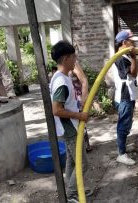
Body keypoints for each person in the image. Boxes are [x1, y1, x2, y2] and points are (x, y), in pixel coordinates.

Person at [50, 40, 92, 203]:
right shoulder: (61, 82)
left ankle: (73, 189)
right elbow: (57, 110)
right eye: (74, 56)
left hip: (70, 128)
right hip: (70, 129)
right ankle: (73, 194)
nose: (76, 60)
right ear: (66, 58)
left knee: (71, 161)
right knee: (82, 164)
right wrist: (79, 116)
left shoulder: (62, 77)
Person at [111, 30, 138, 165]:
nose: (133, 43)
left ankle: (122, 148)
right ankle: (121, 154)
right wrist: (135, 57)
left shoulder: (125, 56)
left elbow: (131, 69)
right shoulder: (120, 58)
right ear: (124, 42)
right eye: (131, 40)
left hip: (128, 94)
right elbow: (133, 74)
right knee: (123, 125)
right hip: (124, 95)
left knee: (126, 123)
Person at [69, 63, 92, 152]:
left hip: (78, 98)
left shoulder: (74, 64)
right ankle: (82, 147)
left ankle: (85, 147)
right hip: (71, 99)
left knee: (80, 122)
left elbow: (84, 81)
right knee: (75, 123)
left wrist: (83, 100)